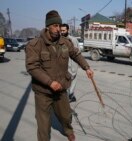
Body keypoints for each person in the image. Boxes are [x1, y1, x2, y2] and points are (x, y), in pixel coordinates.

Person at [25, 10, 94, 141]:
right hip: (43, 92)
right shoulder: (35, 45)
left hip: (61, 88)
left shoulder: (65, 42)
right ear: (47, 26)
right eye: (55, 26)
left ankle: (68, 130)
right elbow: (32, 67)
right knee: (43, 125)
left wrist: (87, 67)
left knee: (66, 116)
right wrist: (50, 82)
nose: (59, 29)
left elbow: (75, 54)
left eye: (60, 25)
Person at [60, 23, 79, 103]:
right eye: (61, 30)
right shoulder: (60, 39)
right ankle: (70, 96)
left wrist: (73, 67)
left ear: (68, 30)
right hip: (63, 65)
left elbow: (75, 53)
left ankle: (69, 96)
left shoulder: (72, 40)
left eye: (64, 30)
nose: (62, 32)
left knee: (72, 81)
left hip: (72, 65)